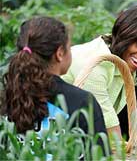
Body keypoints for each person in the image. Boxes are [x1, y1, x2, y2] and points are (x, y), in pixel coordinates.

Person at [62, 5, 137, 143]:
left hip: (100, 114)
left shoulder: (122, 52)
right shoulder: (96, 67)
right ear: (126, 35)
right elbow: (110, 130)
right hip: (65, 124)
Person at [1, 16, 110, 155]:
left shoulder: (10, 95)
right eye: (69, 47)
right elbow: (101, 155)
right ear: (59, 53)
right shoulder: (82, 102)